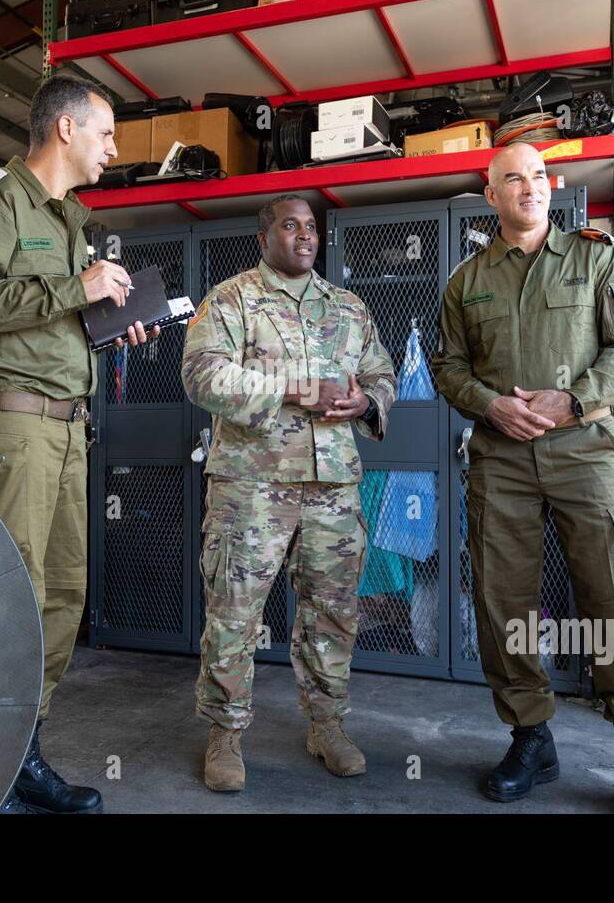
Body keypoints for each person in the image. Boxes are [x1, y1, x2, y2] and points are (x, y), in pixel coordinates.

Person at [430, 142, 614, 813]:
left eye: (538, 175)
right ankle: (531, 738)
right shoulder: (466, 280)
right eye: (512, 178)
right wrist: (491, 405)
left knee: (609, 599)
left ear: (552, 185)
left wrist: (572, 399)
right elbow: (447, 366)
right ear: (492, 195)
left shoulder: (598, 258)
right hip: (501, 458)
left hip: (583, 451)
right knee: (503, 601)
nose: (529, 187)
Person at [0, 73, 154, 814]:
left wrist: (109, 322)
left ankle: (19, 751)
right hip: (10, 428)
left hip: (66, 428)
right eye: (106, 133)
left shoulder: (72, 218)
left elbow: (54, 317)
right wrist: (74, 291)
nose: (113, 149)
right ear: (65, 129)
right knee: (8, 597)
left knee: (61, 594)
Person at [181, 194, 396, 792]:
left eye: (311, 227)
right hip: (251, 488)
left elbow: (381, 371)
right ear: (265, 236)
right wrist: (295, 388)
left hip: (333, 488)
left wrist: (368, 402)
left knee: (333, 613)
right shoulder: (232, 299)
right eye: (290, 225)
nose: (304, 236)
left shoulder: (348, 306)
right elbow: (202, 375)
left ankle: (327, 726)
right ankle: (224, 735)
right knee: (234, 613)